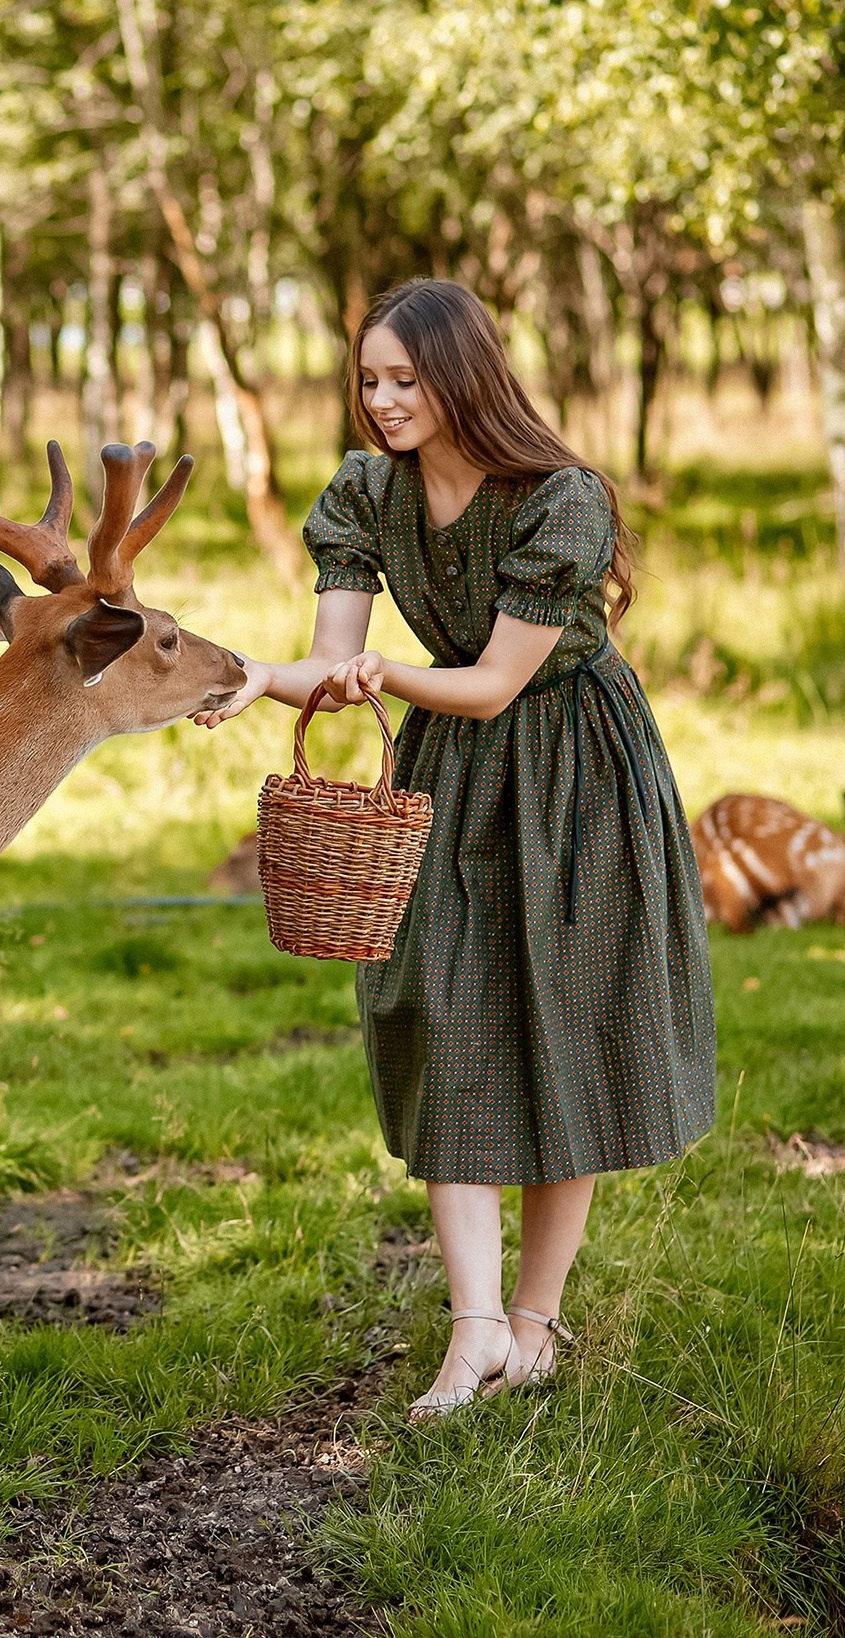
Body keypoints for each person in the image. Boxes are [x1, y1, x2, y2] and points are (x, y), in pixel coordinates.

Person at [198, 278, 716, 1417]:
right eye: (369, 380)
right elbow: (340, 661)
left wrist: (385, 674)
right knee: (440, 1012)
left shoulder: (557, 497)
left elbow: (488, 683)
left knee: (561, 1021)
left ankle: (533, 1322)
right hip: (451, 765)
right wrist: (251, 680)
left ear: (462, 375)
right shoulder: (364, 492)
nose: (382, 401)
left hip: (574, 768)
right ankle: (472, 1326)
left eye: (404, 379)